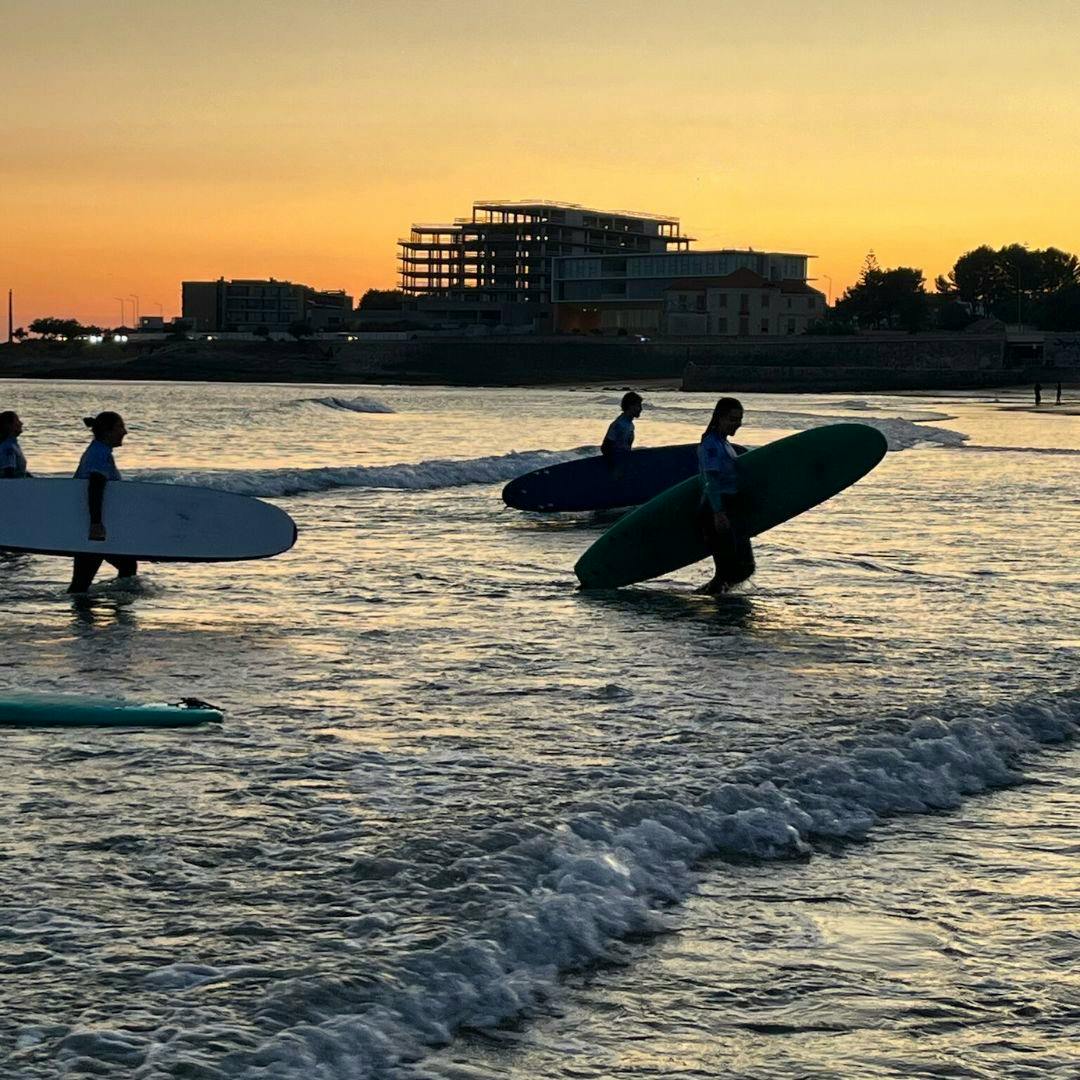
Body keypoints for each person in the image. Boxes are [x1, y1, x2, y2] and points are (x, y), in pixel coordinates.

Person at [68, 412, 137, 594]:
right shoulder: (99, 454)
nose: (125, 432)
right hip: (92, 527)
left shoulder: (101, 451)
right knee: (80, 585)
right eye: (120, 427)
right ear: (108, 431)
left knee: (127, 565)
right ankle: (117, 605)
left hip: (94, 525)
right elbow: (95, 487)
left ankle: (116, 604)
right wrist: (95, 524)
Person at [697, 397, 755, 594]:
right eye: (732, 419)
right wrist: (718, 512)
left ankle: (710, 597)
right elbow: (710, 480)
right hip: (716, 508)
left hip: (731, 507)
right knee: (727, 571)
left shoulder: (725, 444)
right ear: (719, 418)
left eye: (739, 419)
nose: (737, 423)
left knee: (745, 568)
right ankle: (713, 603)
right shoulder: (711, 445)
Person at [601, 391, 643, 472]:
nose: (641, 409)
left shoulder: (630, 425)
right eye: (638, 405)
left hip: (623, 465)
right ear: (631, 406)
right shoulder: (619, 424)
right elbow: (605, 447)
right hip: (616, 466)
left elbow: (627, 448)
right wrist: (613, 466)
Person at [0, 411, 30, 478]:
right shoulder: (8, 447)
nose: (21, 423)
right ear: (9, 426)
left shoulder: (12, 445)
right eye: (17, 421)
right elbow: (9, 474)